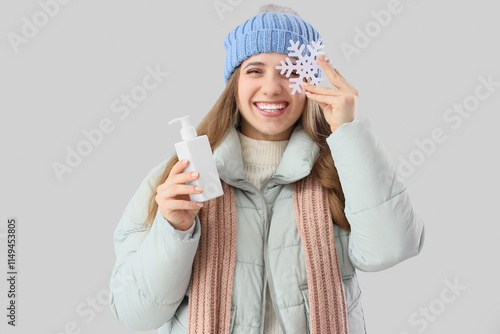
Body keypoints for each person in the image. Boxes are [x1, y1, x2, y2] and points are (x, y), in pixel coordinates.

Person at [109, 4, 425, 334]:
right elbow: (135, 312)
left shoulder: (343, 166)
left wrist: (350, 133)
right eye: (255, 70)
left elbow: (392, 249)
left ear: (310, 84)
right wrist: (172, 230)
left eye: (290, 72)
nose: (272, 87)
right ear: (234, 83)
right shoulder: (176, 177)